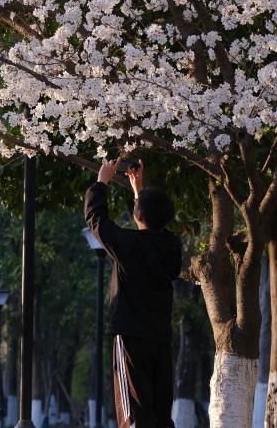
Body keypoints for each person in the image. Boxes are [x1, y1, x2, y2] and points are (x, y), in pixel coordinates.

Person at [84, 158, 182, 428]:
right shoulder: (172, 247)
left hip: (130, 337)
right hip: (159, 338)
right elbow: (151, 231)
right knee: (160, 415)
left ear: (137, 215)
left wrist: (101, 182)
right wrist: (138, 191)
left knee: (135, 415)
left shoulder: (127, 245)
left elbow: (96, 219)